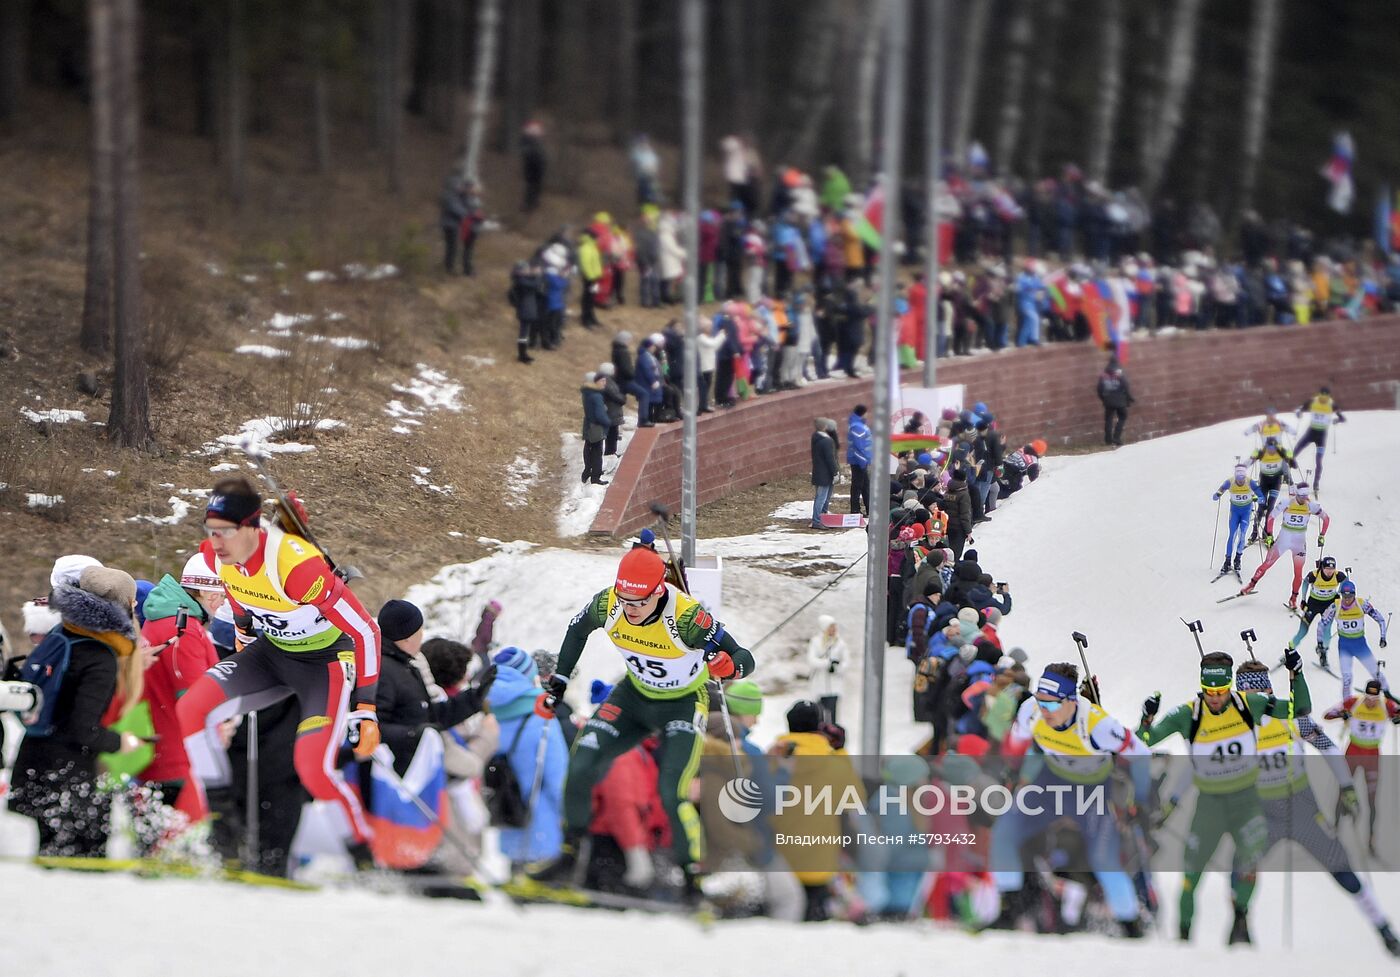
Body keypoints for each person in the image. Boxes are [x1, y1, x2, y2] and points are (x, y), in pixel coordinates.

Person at [528, 545, 756, 899]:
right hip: (633, 697)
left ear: (659, 591)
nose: (630, 610)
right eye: (626, 601)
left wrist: (730, 667)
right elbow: (576, 631)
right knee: (583, 762)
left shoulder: (686, 618)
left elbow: (744, 658)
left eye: (639, 603)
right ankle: (569, 854)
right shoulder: (609, 603)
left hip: (681, 704)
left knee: (672, 791)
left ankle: (690, 878)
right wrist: (559, 681)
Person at [176, 476, 383, 865]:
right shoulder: (214, 556)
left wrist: (367, 708)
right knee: (191, 709)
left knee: (313, 770)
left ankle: (363, 853)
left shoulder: (297, 568)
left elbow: (367, 631)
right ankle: (224, 823)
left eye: (225, 532)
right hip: (271, 654)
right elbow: (238, 594)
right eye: (211, 532)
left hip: (323, 667)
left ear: (253, 529)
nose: (216, 542)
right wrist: (242, 631)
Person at [1233, 660, 1398, 956]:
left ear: (1269, 692)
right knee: (1242, 864)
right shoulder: (1232, 729)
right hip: (1262, 812)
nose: (1255, 704)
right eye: (1247, 698)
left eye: (1260, 696)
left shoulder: (1290, 717)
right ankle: (1240, 925)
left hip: (1302, 808)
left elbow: (1328, 746)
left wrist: (1347, 785)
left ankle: (1383, 928)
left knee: (1342, 868)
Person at [1138, 651, 1298, 945]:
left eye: (1221, 692)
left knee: (1247, 867)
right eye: (1209, 691)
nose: (1214, 698)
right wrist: (1171, 803)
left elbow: (1305, 721)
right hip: (1211, 804)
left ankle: (1240, 922)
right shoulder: (1196, 714)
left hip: (1251, 802)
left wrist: (1296, 677)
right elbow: (1187, 763)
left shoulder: (1261, 712)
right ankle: (1185, 937)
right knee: (1192, 873)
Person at [989, 662, 1151, 938]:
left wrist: (1141, 801)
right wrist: (1012, 772)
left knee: (1104, 860)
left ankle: (1130, 925)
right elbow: (1017, 741)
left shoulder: (1098, 725)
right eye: (1041, 702)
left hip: (1090, 793)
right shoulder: (1031, 710)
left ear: (1071, 702)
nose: (1044, 710)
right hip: (1050, 783)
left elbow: (1142, 754)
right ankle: (1010, 910)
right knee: (1004, 833)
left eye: (1052, 705)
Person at [10, 562, 148, 856]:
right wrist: (120, 742)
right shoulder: (100, 656)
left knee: (49, 864)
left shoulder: (61, 634)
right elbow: (82, 729)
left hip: (34, 761)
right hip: (69, 780)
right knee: (79, 867)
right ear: (122, 606)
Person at [487, 647, 569, 871]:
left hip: (508, 815)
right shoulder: (541, 717)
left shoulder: (486, 712)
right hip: (542, 826)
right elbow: (556, 776)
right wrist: (568, 813)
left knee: (515, 876)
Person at [1325, 679, 1400, 859]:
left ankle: (1371, 840)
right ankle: (1335, 830)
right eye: (1368, 697)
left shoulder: (1386, 705)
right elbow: (1328, 715)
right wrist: (1341, 714)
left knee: (1372, 800)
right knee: (1343, 792)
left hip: (1373, 756)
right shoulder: (1354, 701)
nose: (1371, 701)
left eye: (1374, 698)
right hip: (1352, 752)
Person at [1239, 481, 1329, 607]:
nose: (1304, 499)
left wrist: (1322, 535)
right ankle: (1251, 585)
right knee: (1267, 564)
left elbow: (1326, 518)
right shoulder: (1287, 502)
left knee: (1298, 572)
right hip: (1283, 540)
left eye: (1305, 496)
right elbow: (1271, 517)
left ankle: (1293, 599)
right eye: (1301, 496)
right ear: (1297, 494)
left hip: (1299, 543)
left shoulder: (1311, 505)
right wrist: (1269, 535)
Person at [1318, 580, 1389, 701]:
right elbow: (1321, 624)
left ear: (1354, 595)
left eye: (1349, 596)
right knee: (1347, 678)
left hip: (1360, 645)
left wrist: (1383, 637)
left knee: (1376, 673)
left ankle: (1389, 698)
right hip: (1344, 646)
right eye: (1344, 596)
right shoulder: (1336, 605)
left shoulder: (1362, 604)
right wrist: (1320, 642)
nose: (1346, 599)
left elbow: (1381, 619)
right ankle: (1347, 705)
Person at [1287, 555, 1346, 665]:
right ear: (1322, 568)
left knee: (1327, 629)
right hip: (1313, 604)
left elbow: (1346, 582)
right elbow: (1305, 584)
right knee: (1303, 630)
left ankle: (1323, 653)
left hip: (1329, 604)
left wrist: (1339, 594)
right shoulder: (1314, 575)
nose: (1329, 572)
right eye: (1327, 569)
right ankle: (1291, 648)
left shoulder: (1338, 575)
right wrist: (1303, 600)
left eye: (1332, 569)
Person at [1211, 464, 1263, 577]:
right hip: (1234, 512)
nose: (1241, 481)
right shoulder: (1230, 481)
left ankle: (1238, 559)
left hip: (1246, 512)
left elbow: (1261, 495)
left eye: (1242, 478)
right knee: (1232, 535)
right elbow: (1220, 490)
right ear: (1235, 476)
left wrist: (1257, 498)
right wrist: (1217, 495)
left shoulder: (1250, 482)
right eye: (1239, 479)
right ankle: (1227, 561)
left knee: (1242, 534)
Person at [1247, 435, 1300, 542]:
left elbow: (1292, 465)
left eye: (1273, 448)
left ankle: (1267, 533)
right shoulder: (1262, 451)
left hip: (1275, 483)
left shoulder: (1281, 451)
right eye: (1269, 448)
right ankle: (1254, 532)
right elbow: (1250, 460)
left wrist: (1291, 460)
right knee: (1261, 508)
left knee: (1270, 507)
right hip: (1264, 483)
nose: (1271, 450)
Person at [1294, 386, 1346, 491]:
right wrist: (1299, 413)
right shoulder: (1313, 401)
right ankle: (1285, 474)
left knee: (1318, 461)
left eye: (1325, 398)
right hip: (1311, 432)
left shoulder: (1331, 404)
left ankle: (1316, 483)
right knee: (1295, 452)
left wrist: (1338, 420)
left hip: (1321, 436)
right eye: (1322, 397)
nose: (1323, 399)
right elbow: (1299, 409)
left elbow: (1342, 418)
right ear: (1320, 395)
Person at [806, 615, 847, 722]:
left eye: (834, 627)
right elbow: (811, 660)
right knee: (819, 715)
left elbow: (846, 662)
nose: (833, 630)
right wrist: (827, 663)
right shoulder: (816, 642)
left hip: (834, 686)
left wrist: (837, 668)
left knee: (832, 716)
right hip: (819, 685)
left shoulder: (840, 643)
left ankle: (832, 735)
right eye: (830, 627)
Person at [507, 260, 542, 364]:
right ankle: (522, 354)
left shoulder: (522, 279)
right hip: (525, 309)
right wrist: (537, 275)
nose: (528, 271)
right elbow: (534, 285)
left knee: (525, 332)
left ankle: (524, 353)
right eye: (526, 269)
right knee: (523, 332)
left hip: (528, 308)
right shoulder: (520, 281)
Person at [580, 372, 610, 486]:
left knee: (588, 448)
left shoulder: (587, 393)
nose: (604, 383)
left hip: (588, 424)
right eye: (602, 381)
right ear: (594, 382)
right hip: (596, 426)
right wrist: (607, 422)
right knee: (597, 452)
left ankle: (587, 471)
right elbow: (600, 414)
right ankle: (595, 477)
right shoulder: (596, 396)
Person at [1096, 357, 1134, 446]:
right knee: (1123, 416)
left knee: (1108, 419)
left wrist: (1103, 399)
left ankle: (1108, 440)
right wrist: (1129, 398)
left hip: (1108, 401)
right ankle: (1116, 437)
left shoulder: (1103, 375)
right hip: (1120, 400)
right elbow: (1125, 386)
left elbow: (1099, 389)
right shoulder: (1119, 373)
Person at [810, 417, 837, 530]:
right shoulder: (827, 441)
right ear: (825, 427)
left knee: (822, 497)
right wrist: (835, 472)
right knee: (822, 498)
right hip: (825, 474)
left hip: (819, 472)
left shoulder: (815, 437)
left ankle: (822, 517)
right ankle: (817, 520)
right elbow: (830, 459)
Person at [847, 404, 872, 517]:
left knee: (865, 485)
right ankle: (855, 510)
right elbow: (858, 446)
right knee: (858, 485)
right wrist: (863, 461)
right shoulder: (857, 427)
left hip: (862, 460)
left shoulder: (860, 425)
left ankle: (869, 509)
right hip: (858, 461)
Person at [597, 362, 625, 457]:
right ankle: (610, 452)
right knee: (611, 434)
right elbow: (615, 395)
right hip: (611, 411)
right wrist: (622, 399)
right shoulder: (607, 382)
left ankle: (611, 451)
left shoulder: (608, 380)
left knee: (613, 433)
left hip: (612, 411)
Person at [520, 120, 546, 212]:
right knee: (532, 185)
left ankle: (531, 203)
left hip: (535, 165)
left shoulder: (529, 142)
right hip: (533, 165)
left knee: (533, 185)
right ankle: (530, 203)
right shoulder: (530, 142)